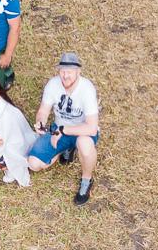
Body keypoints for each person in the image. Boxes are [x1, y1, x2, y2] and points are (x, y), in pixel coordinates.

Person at [27, 52, 101, 204]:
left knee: (84, 144)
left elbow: (92, 128)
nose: (65, 75)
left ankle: (86, 180)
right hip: (59, 130)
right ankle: (65, 148)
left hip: (83, 132)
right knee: (33, 163)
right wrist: (40, 122)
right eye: (62, 71)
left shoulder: (87, 89)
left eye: (70, 71)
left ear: (78, 72)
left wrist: (63, 130)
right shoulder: (53, 84)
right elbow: (43, 110)